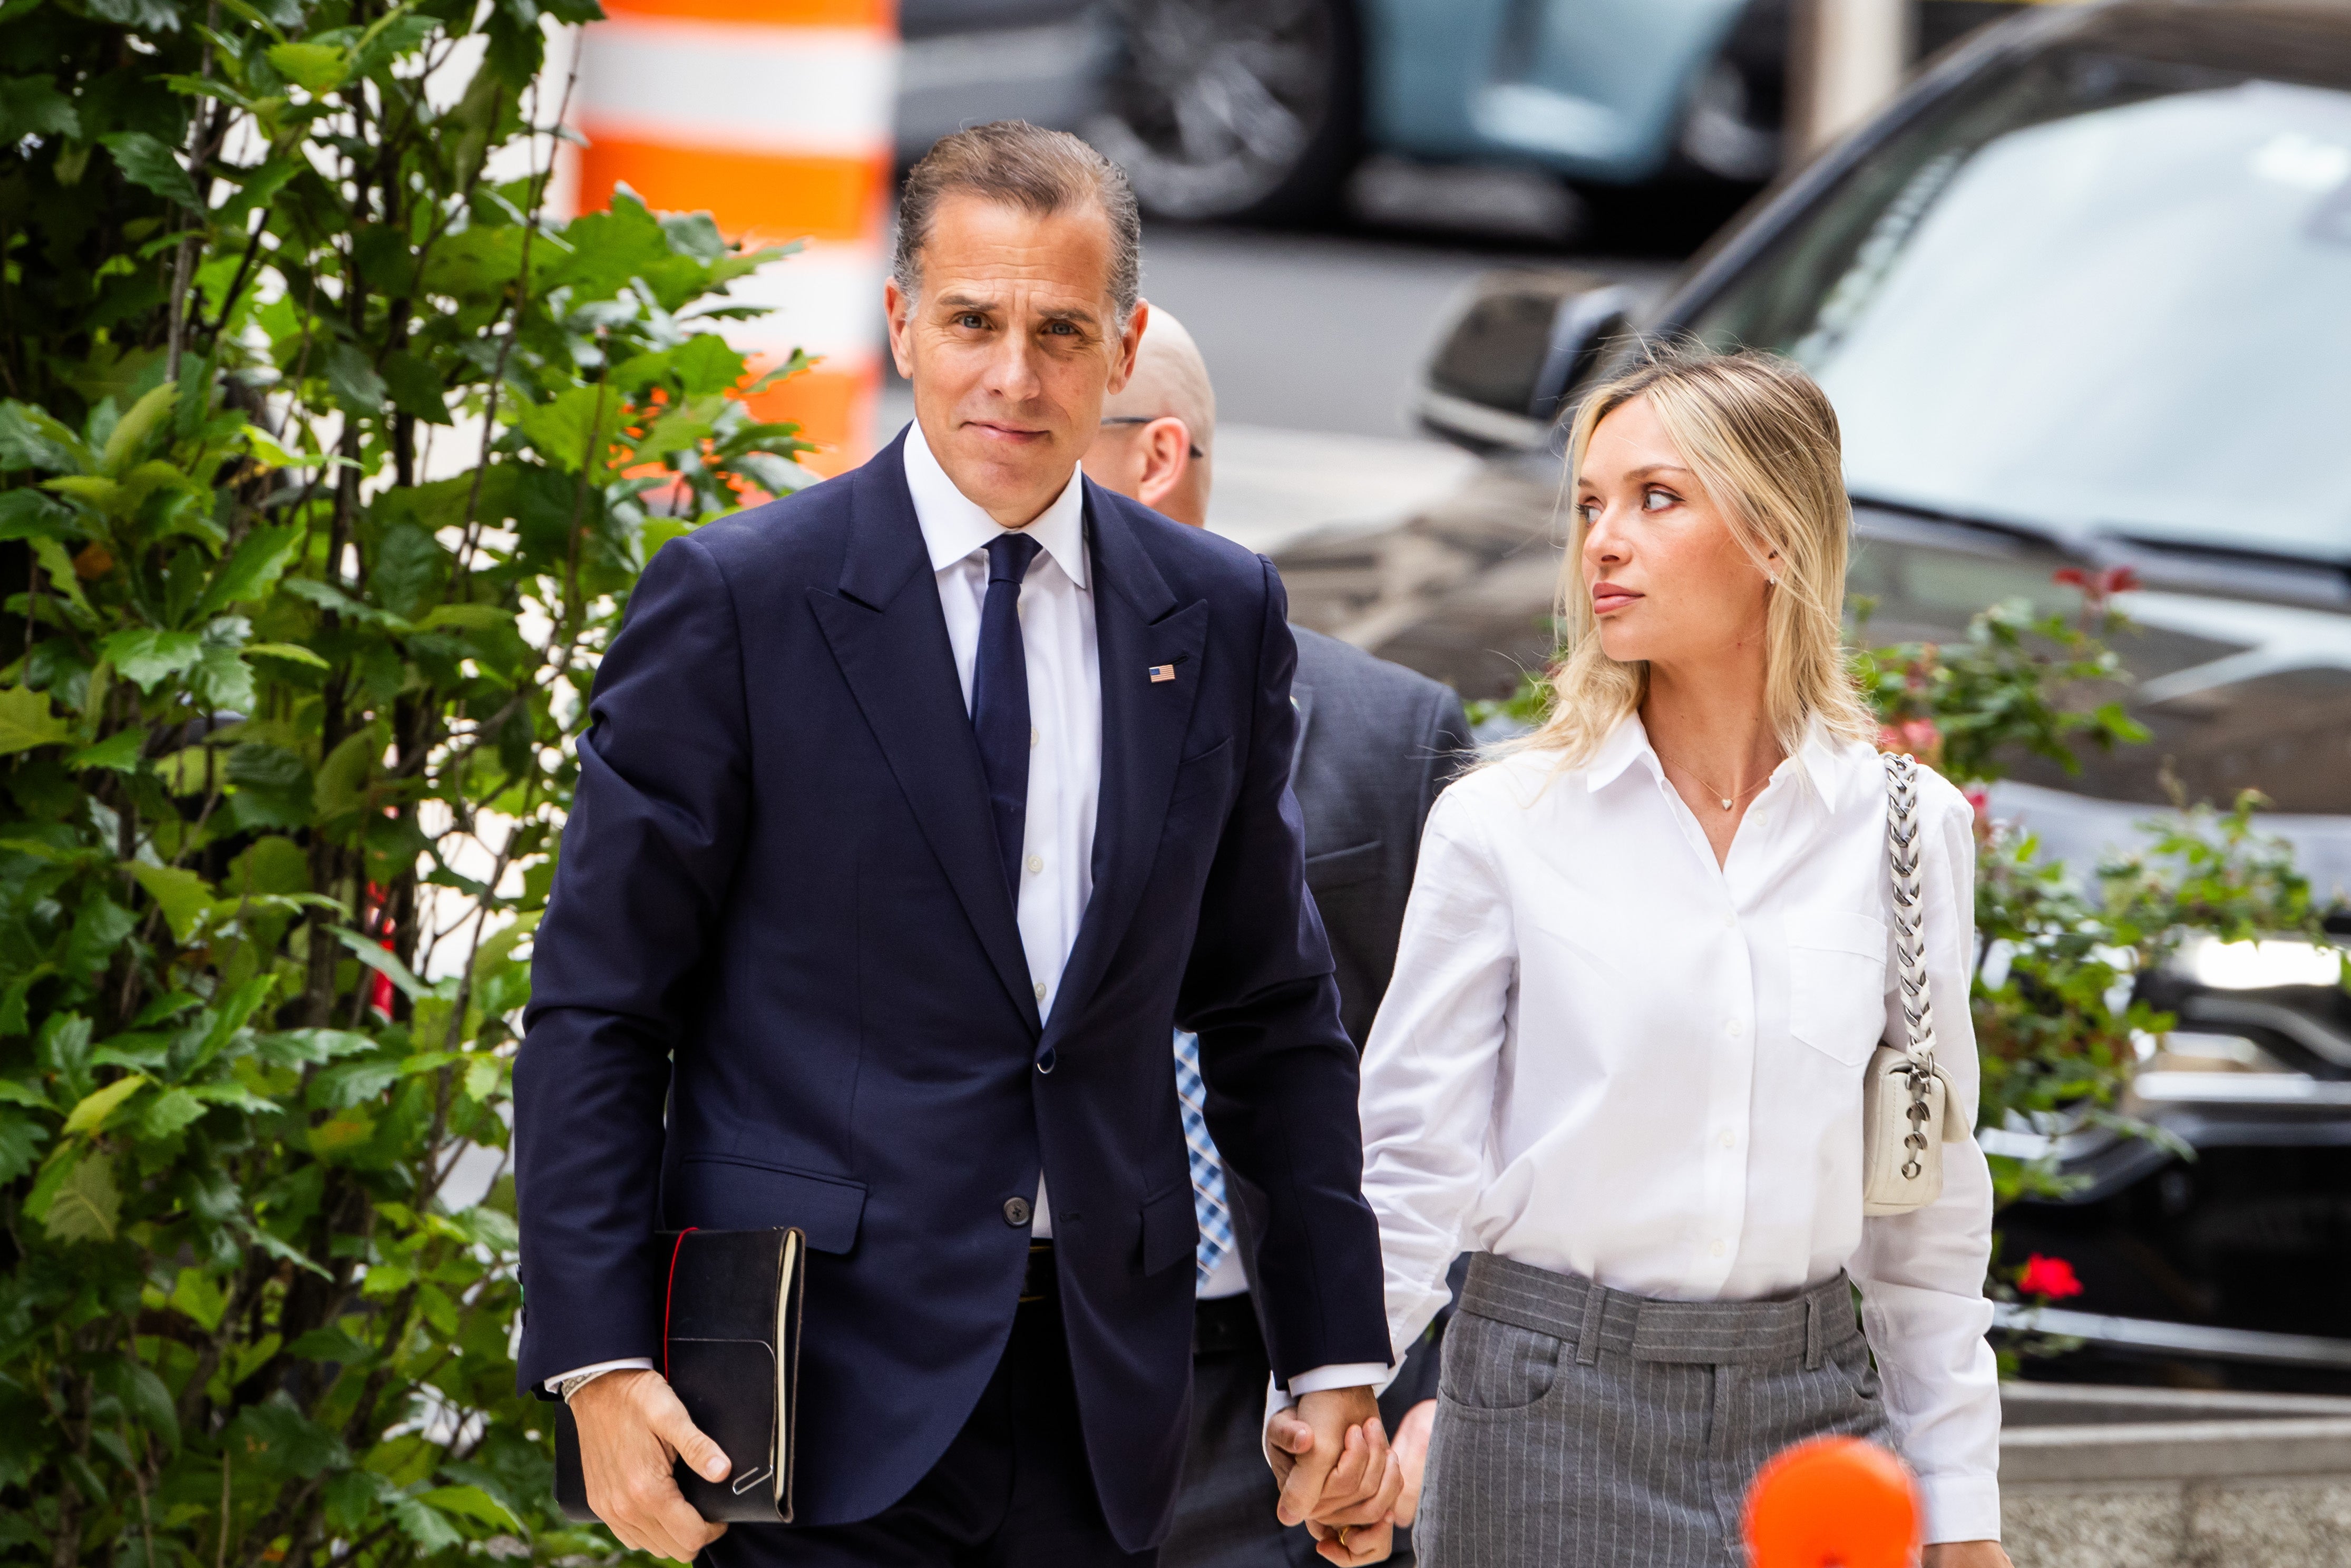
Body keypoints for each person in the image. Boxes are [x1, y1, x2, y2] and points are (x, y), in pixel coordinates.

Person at [513, 122, 1403, 1568]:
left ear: (1120, 353)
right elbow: (599, 1013)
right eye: (973, 323)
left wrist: (1332, 1359)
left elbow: (1267, 1013)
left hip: (1106, 1398)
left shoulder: (1215, 611)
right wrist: (599, 1360)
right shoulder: (737, 603)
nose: (1013, 375)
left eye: (1059, 333)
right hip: (804, 1394)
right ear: (900, 325)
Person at [1356, 345, 2012, 1567]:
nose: (1601, 541)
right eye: (1591, 505)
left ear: (1774, 535)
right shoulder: (1504, 821)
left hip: (1817, 1427)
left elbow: (1923, 1213)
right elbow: (1410, 1164)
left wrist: (1959, 1508)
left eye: (1655, 499)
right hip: (1547, 1412)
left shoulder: (1907, 833)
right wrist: (1342, 1397)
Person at [1081, 314, 1474, 1568]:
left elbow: (1474, 1093)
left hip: (1289, 1388)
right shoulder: (940, 709)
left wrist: (1428, 1394)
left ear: (1152, 458)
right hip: (1009, 1366)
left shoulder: (1385, 736)